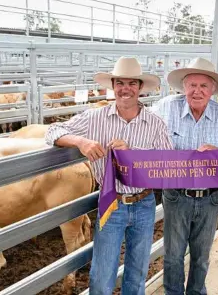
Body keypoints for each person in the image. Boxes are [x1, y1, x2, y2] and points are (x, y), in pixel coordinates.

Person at [45, 56, 173, 295]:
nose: (126, 89)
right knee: (102, 274)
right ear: (112, 86)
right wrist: (80, 141)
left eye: (132, 83)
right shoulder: (95, 118)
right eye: (120, 83)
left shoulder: (155, 123)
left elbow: (168, 161)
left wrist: (133, 154)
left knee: (137, 272)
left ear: (140, 87)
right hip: (111, 202)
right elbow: (53, 130)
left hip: (144, 201)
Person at [153, 57, 218, 295]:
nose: (197, 91)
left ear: (213, 89)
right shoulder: (165, 108)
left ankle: (196, 292)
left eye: (204, 86)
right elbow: (144, 135)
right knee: (172, 255)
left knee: (201, 257)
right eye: (192, 85)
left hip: (211, 197)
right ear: (183, 87)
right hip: (175, 194)